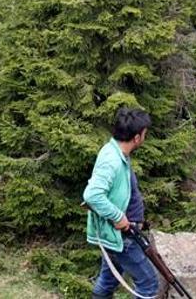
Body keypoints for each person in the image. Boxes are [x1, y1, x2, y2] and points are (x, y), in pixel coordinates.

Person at [83, 108, 159, 299]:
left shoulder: (117, 153)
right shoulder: (112, 160)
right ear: (136, 137)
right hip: (121, 236)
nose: (144, 137)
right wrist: (118, 217)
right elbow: (92, 195)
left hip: (120, 235)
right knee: (149, 284)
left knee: (108, 281)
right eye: (144, 134)